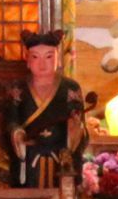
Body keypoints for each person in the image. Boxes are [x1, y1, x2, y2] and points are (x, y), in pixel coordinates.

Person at [6, 30, 86, 188]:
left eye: (49, 57)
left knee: (62, 193)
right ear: (27, 60)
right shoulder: (18, 88)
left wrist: (74, 127)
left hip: (60, 156)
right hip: (29, 156)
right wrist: (17, 134)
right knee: (28, 194)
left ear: (58, 58)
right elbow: (10, 120)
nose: (42, 64)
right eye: (35, 57)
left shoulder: (69, 88)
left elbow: (78, 121)